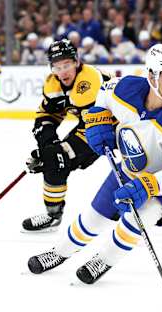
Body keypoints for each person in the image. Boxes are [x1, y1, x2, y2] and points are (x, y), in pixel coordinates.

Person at [27, 44, 162, 285]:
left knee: (137, 218)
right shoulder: (126, 88)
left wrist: (149, 185)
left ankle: (103, 259)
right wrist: (97, 119)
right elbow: (103, 95)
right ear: (152, 76)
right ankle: (60, 252)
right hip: (134, 164)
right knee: (95, 215)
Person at [21, 39, 112, 232]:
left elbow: (95, 127)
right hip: (92, 124)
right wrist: (48, 145)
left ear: (77, 62)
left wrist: (53, 152)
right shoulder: (53, 84)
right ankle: (53, 214)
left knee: (56, 157)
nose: (63, 71)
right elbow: (46, 115)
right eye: (57, 66)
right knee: (54, 157)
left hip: (113, 125)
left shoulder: (88, 81)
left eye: (67, 64)